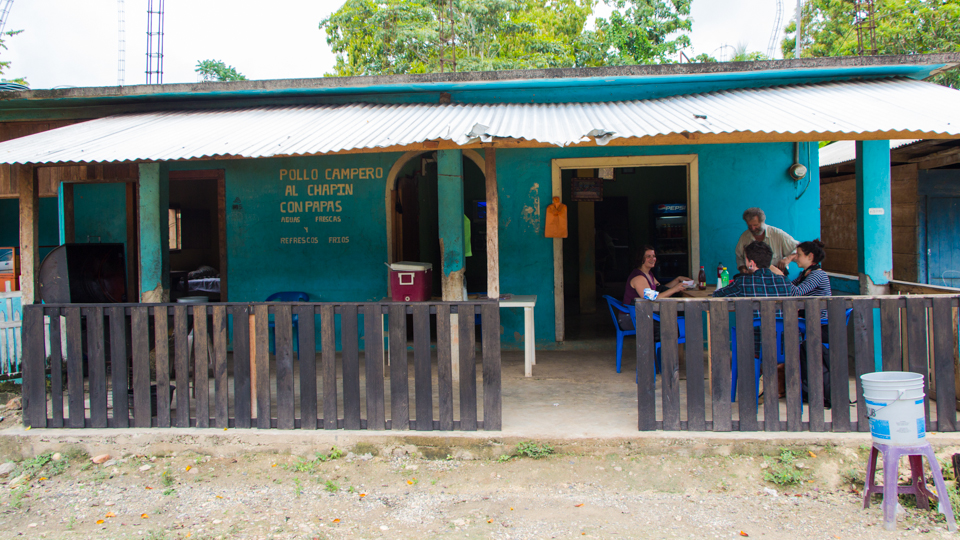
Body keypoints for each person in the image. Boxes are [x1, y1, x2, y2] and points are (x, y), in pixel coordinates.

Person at [714, 241, 799, 357]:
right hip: (783, 345)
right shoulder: (784, 282)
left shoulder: (743, 281)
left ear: (751, 263)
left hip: (754, 345)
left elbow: (717, 295)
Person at [619, 246, 692, 331]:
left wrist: (677, 280)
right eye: (648, 256)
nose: (652, 259)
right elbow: (651, 297)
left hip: (642, 313)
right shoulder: (638, 277)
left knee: (674, 318)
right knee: (671, 322)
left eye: (653, 256)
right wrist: (675, 289)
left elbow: (662, 289)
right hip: (631, 318)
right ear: (640, 258)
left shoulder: (648, 274)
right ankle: (665, 343)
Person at [735, 207, 799, 274]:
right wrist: (743, 269)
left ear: (763, 221)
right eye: (750, 226)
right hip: (752, 276)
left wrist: (787, 259)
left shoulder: (778, 234)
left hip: (776, 276)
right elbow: (739, 256)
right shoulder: (745, 237)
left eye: (756, 225)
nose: (753, 228)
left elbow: (800, 248)